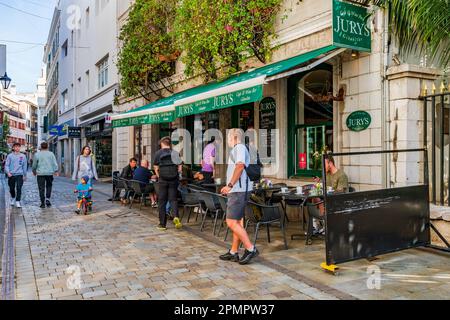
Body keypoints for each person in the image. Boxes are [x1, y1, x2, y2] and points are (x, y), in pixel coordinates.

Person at [220, 129, 259, 265]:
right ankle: (234, 252)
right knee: (237, 222)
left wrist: (230, 185)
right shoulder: (239, 148)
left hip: (238, 190)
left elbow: (240, 166)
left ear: (234, 137)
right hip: (239, 190)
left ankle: (250, 248)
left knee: (231, 222)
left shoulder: (240, 148)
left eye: (228, 138)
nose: (228, 141)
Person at [153, 136, 183, 231]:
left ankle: (162, 224)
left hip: (163, 180)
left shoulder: (158, 153)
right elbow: (180, 167)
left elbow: (155, 167)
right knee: (173, 200)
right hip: (173, 179)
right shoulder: (175, 153)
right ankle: (176, 216)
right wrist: (177, 174)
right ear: (169, 144)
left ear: (162, 143)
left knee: (162, 201)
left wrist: (158, 175)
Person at [32, 142, 59, 208]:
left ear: (41, 147)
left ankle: (42, 203)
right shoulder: (51, 154)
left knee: (41, 188)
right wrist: (56, 170)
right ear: (47, 147)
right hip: (49, 173)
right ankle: (47, 199)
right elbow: (54, 163)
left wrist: (34, 171)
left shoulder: (37, 154)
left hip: (40, 173)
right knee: (49, 186)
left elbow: (34, 165)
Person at [5, 143, 28, 208]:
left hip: (20, 175)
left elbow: (24, 166)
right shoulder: (10, 156)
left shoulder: (23, 156)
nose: (17, 148)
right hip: (11, 175)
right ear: (13, 148)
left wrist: (25, 175)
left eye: (18, 147)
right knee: (11, 188)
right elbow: (7, 165)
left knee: (19, 188)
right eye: (16, 147)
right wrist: (8, 172)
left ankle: (18, 201)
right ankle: (13, 197)